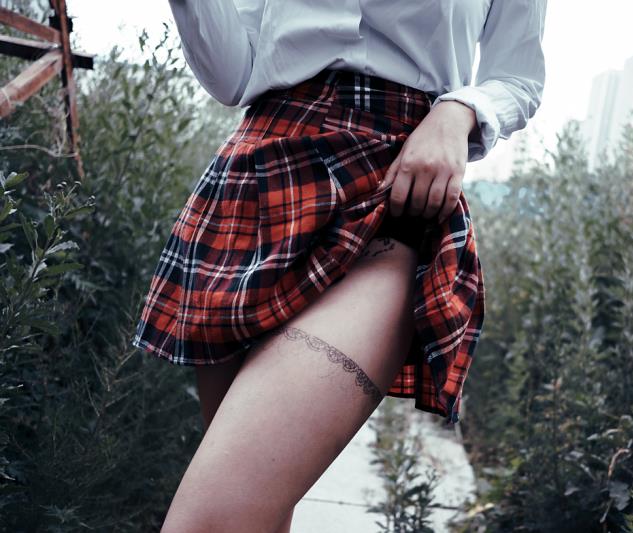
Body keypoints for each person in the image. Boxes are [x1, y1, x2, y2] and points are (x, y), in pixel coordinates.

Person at [132, 0, 546, 530]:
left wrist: (459, 110)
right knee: (256, 514)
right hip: (259, 186)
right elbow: (235, 75)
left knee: (213, 520)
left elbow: (517, 75)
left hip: (393, 187)